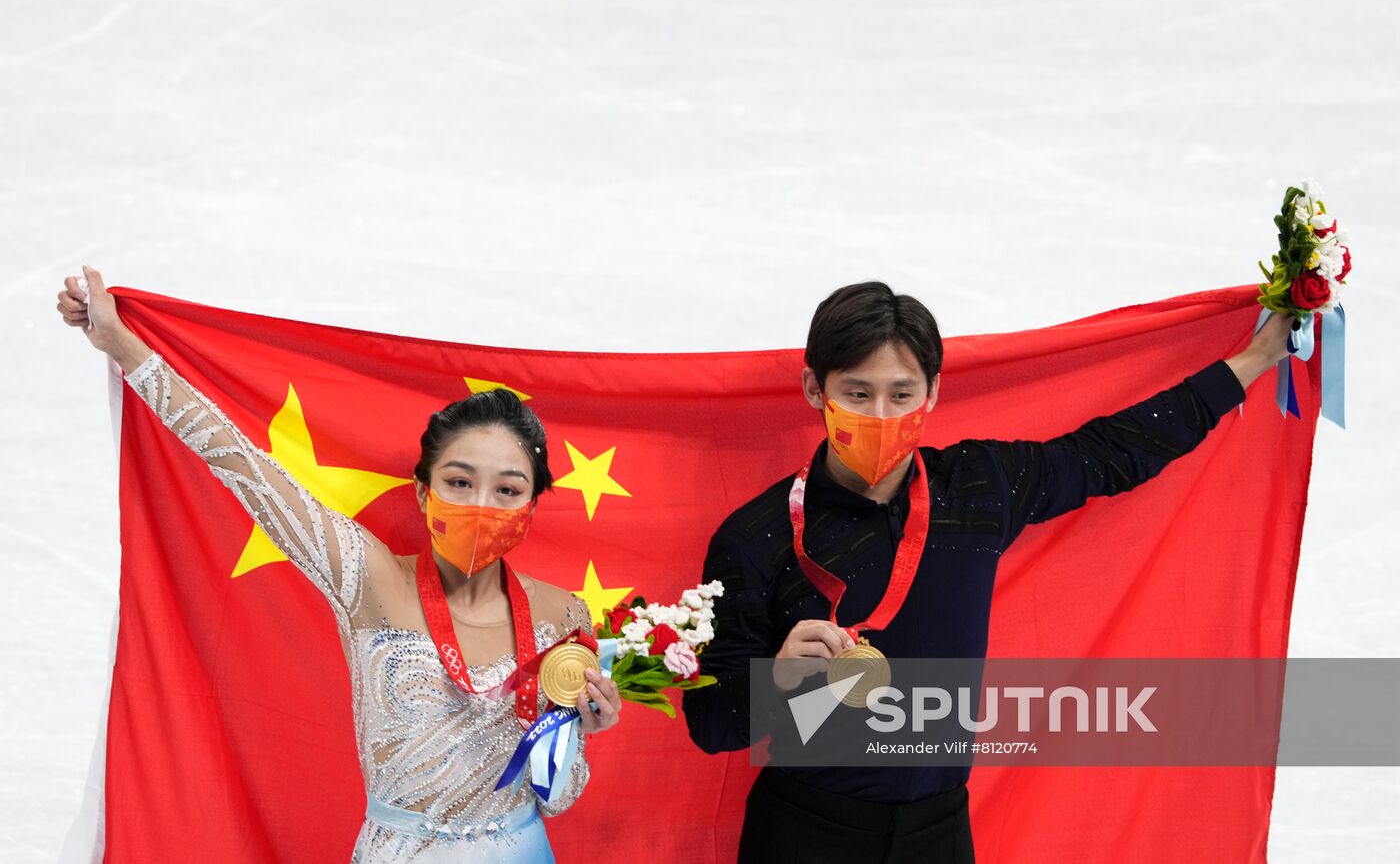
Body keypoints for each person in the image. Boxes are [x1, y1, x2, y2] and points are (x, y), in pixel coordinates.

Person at [682, 281, 1292, 864]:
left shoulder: (977, 488)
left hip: (939, 836)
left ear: (933, 392)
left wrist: (1255, 359)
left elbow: (1115, 452)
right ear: (815, 388)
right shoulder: (755, 537)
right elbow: (710, 725)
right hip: (803, 835)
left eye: (901, 394)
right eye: (857, 394)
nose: (881, 415)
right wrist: (778, 680)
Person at [56, 267, 623, 864]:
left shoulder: (563, 613)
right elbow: (243, 466)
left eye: (507, 490)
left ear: (531, 506)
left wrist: (586, 730)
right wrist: (122, 346)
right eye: (460, 482)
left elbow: (558, 797)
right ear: (423, 492)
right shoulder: (368, 579)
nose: (482, 506)